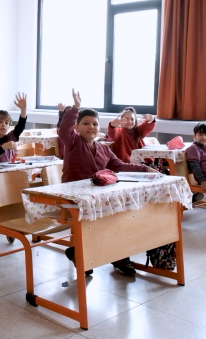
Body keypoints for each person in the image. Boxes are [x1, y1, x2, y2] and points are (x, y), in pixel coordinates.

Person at [60, 88, 156, 276]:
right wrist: (75, 108)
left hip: (96, 195)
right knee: (111, 216)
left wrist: (146, 169)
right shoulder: (73, 143)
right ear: (77, 127)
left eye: (95, 124)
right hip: (74, 197)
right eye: (85, 123)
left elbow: (119, 165)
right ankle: (86, 252)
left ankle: (115, 254)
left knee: (123, 213)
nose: (91, 127)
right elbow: (64, 130)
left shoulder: (103, 148)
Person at [0, 93, 28, 163]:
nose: (4, 125)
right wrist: (3, 147)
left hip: (11, 169)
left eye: (6, 123)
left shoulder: (10, 137)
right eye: (0, 122)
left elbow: (20, 127)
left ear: (9, 126)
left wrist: (23, 109)